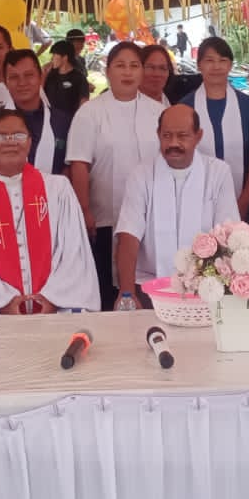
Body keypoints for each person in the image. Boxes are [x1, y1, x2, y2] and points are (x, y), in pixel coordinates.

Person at [0, 109, 100, 328]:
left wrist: (52, 298)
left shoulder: (58, 189)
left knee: (78, 323)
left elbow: (74, 250)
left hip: (56, 302)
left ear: (29, 142)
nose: (10, 142)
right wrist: (4, 301)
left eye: (18, 135)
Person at [66, 42, 165, 309]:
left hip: (151, 215)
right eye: (120, 65)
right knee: (107, 288)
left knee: (148, 285)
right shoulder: (90, 113)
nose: (128, 72)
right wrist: (85, 209)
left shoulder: (158, 113)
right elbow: (79, 164)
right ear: (108, 71)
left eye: (134, 66)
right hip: (104, 217)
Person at [113, 105, 240, 307]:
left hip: (206, 286)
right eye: (167, 136)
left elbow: (229, 235)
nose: (173, 143)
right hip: (150, 285)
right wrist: (127, 293)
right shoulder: (141, 175)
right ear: (158, 135)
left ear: (198, 136)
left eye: (182, 136)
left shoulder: (218, 173)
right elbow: (129, 235)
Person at [180, 36, 249, 219]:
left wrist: (246, 197)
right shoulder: (185, 107)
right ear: (199, 65)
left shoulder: (247, 106)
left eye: (222, 61)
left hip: (242, 199)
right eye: (209, 60)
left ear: (230, 65)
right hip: (195, 200)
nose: (216, 67)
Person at [2, 49, 71, 174]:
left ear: (40, 77)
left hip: (54, 192)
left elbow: (68, 168)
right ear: (5, 83)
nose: (22, 83)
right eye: (14, 77)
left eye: (29, 75)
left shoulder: (63, 121)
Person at [43, 39, 90, 113]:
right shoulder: (50, 74)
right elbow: (38, 94)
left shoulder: (79, 78)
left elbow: (84, 104)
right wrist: (44, 74)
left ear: (65, 57)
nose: (51, 59)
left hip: (69, 121)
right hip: (48, 119)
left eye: (54, 55)